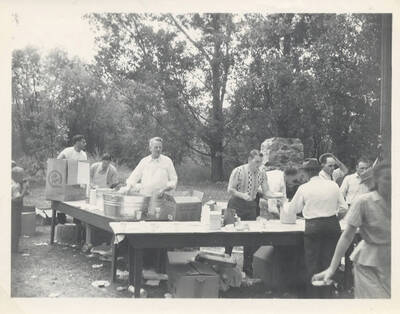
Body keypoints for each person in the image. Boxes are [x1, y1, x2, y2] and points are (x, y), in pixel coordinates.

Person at [313, 162, 391, 298]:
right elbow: (347, 236)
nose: (392, 183)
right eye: (387, 178)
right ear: (377, 179)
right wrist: (332, 268)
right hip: (368, 264)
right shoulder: (364, 202)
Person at [288, 158, 348, 298]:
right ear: (319, 170)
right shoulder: (332, 185)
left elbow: (293, 209)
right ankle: (328, 294)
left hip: (313, 226)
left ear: (305, 173)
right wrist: (333, 218)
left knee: (312, 261)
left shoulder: (304, 188)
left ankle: (314, 295)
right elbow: (344, 208)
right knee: (330, 260)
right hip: (332, 224)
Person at [120, 137, 178, 269]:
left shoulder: (167, 161)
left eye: (160, 147)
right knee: (144, 228)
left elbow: (174, 180)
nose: (158, 149)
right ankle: (144, 261)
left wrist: (165, 188)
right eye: (155, 147)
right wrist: (128, 187)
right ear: (150, 148)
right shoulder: (144, 161)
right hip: (145, 199)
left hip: (160, 200)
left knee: (160, 230)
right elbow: (134, 176)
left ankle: (159, 263)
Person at [225, 150, 284, 277]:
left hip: (251, 206)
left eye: (260, 162)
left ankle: (247, 267)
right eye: (256, 162)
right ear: (249, 159)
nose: (258, 165)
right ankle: (225, 263)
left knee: (249, 236)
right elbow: (230, 189)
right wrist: (242, 195)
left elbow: (266, 191)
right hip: (235, 203)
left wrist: (276, 196)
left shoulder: (262, 173)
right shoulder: (238, 171)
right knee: (229, 235)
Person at [57, 134, 87, 224]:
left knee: (77, 202)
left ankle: (76, 224)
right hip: (65, 179)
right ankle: (61, 223)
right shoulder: (68, 151)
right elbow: (58, 161)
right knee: (63, 202)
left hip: (77, 180)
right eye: (83, 142)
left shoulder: (83, 154)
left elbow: (84, 168)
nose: (85, 144)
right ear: (77, 142)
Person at [11, 167, 29, 253]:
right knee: (15, 227)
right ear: (16, 176)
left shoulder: (12, 182)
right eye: (21, 175)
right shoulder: (15, 185)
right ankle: (14, 248)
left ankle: (13, 248)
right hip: (14, 207)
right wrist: (24, 191)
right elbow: (17, 199)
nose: (23, 177)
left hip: (11, 207)